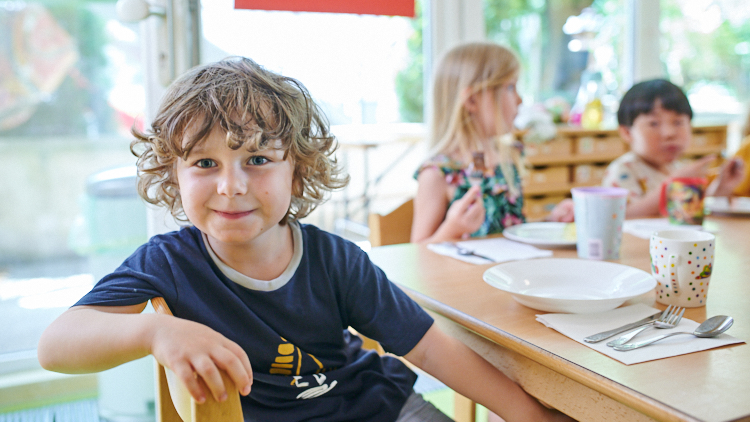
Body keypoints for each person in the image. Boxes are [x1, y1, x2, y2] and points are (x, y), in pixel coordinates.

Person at [37, 57, 571, 422]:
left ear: (297, 169)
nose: (232, 186)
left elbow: (429, 348)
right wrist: (154, 332)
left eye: (258, 160)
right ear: (173, 174)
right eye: (204, 163)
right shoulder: (168, 263)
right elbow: (54, 346)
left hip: (377, 406)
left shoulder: (335, 259)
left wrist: (527, 414)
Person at [411, 42, 571, 244]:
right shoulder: (438, 173)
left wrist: (550, 221)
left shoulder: (508, 157)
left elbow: (510, 230)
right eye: (510, 87)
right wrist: (452, 229)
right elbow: (417, 253)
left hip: (509, 273)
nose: (520, 99)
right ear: (472, 101)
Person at [601, 79, 744, 218]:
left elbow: (690, 208)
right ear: (627, 132)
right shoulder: (623, 170)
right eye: (654, 124)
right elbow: (623, 214)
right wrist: (673, 184)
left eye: (678, 122)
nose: (669, 133)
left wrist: (722, 186)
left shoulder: (677, 167)